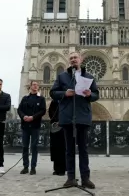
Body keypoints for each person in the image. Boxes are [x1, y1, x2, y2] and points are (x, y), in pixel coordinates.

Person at [50, 51, 99, 189]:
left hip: (82, 116)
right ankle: (70, 178)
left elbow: (96, 95)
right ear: (69, 60)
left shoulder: (89, 77)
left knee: (83, 149)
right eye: (71, 58)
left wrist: (90, 94)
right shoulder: (62, 77)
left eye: (75, 57)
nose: (73, 60)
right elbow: (53, 92)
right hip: (67, 116)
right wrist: (64, 93)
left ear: (81, 59)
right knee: (69, 150)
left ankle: (85, 179)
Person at [17, 81, 46, 175]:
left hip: (35, 126)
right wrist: (23, 116)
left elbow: (43, 110)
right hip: (25, 125)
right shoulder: (25, 98)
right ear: (30, 86)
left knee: (34, 147)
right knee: (25, 146)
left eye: (37, 85)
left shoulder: (41, 99)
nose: (35, 86)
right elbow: (19, 109)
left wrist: (33, 117)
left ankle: (33, 167)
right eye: (34, 85)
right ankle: (25, 166)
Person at [48, 99, 66, 176]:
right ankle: (56, 168)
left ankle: (62, 169)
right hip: (55, 126)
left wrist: (62, 120)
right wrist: (55, 121)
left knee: (62, 148)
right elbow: (50, 112)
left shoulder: (67, 100)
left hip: (64, 125)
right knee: (55, 148)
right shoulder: (55, 101)